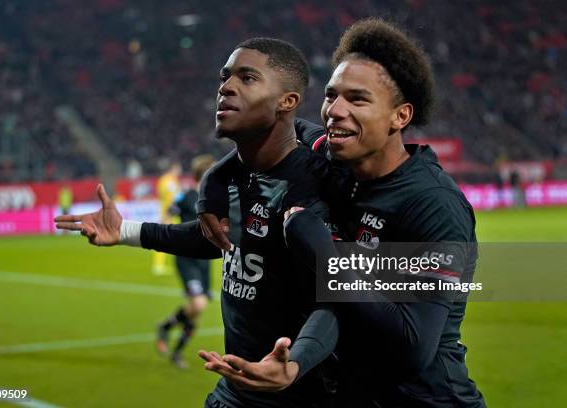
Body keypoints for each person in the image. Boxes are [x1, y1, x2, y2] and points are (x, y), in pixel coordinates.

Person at [198, 18, 486, 408]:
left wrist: (325, 257)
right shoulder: (333, 161)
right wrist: (213, 186)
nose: (335, 110)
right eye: (332, 95)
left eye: (358, 99)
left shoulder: (432, 204)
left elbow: (413, 347)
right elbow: (283, 126)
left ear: (399, 117)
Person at [55, 37, 338, 408]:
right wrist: (125, 231)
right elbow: (216, 239)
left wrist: (295, 365)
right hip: (235, 390)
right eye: (226, 76)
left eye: (247, 77)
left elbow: (338, 295)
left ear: (287, 101)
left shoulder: (316, 182)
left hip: (297, 394)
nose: (226, 86)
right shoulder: (236, 176)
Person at [156, 154, 216, 369]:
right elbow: (170, 212)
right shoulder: (188, 196)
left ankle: (169, 332)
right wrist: (164, 231)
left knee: (196, 309)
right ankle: (171, 339)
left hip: (204, 260)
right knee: (198, 304)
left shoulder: (214, 198)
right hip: (187, 258)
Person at [152, 161, 182, 275]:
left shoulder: (170, 180)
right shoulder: (168, 181)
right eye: (177, 169)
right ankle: (158, 266)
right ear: (173, 168)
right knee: (163, 240)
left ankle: (174, 264)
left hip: (172, 214)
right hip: (168, 214)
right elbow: (171, 198)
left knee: (175, 240)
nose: (179, 171)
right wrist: (167, 214)